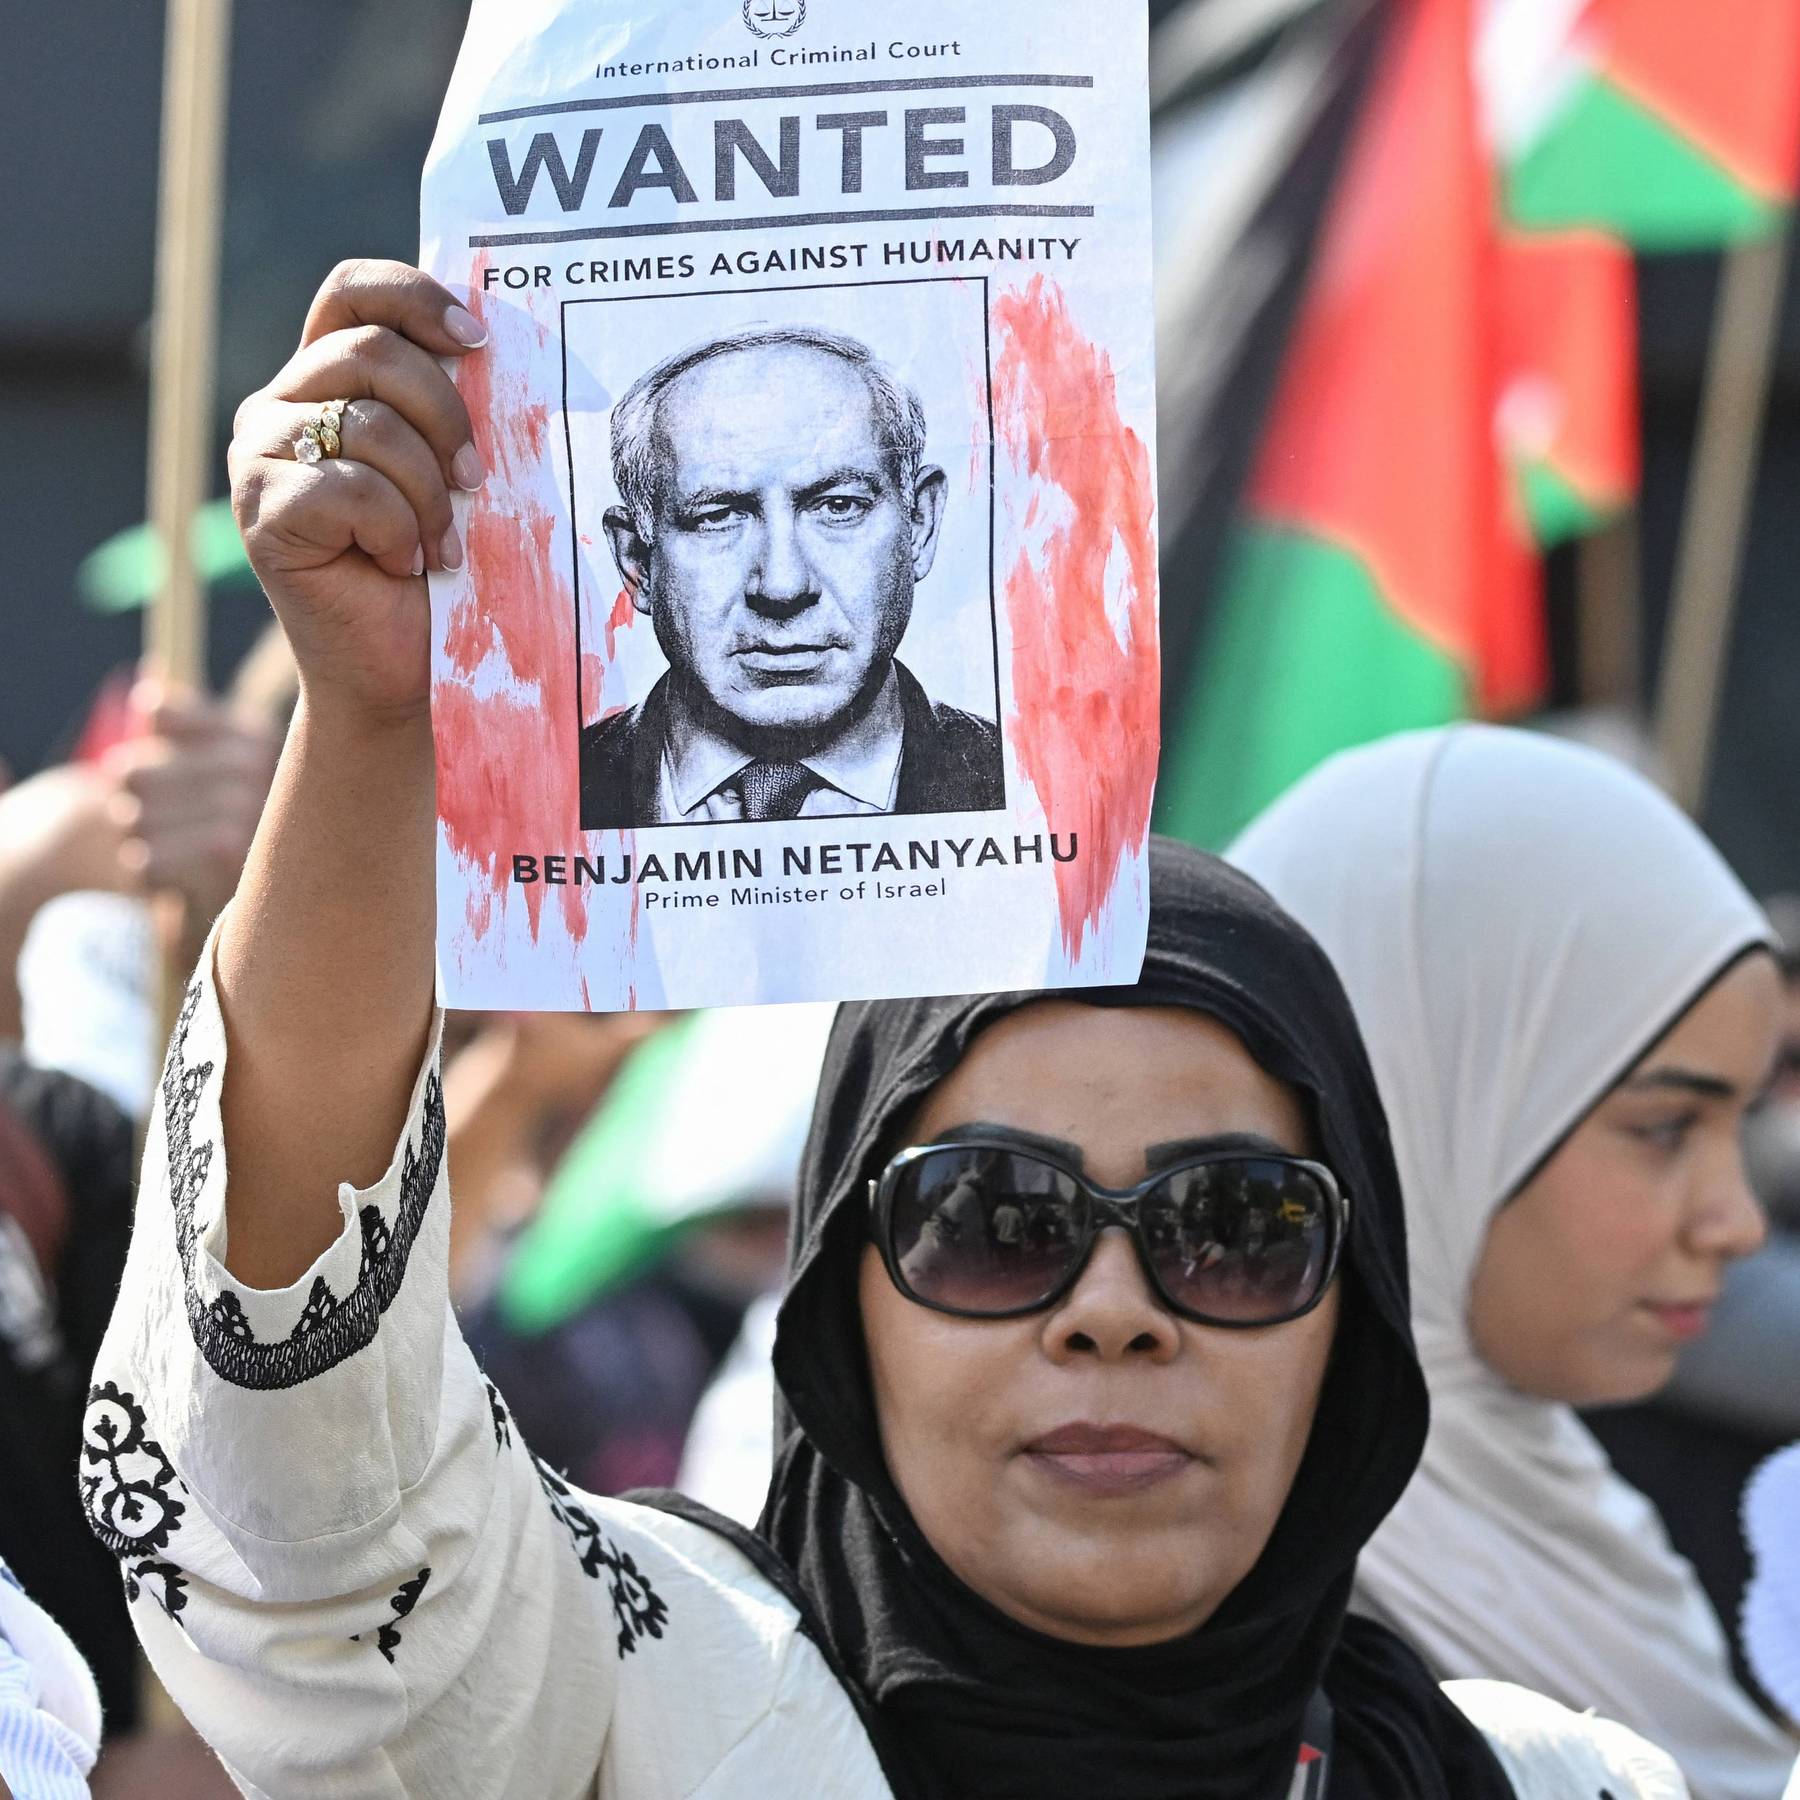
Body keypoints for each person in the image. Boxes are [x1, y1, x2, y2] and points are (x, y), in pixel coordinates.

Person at [79, 257, 1686, 1798]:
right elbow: (304, 1471)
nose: (1115, 1316)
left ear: (1359, 1316)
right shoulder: (638, 1714)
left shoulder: (1557, 1779)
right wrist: (373, 725)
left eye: (1235, 1226)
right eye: (992, 1220)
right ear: (841, 1298)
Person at [1231, 724, 1800, 1800]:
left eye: (1743, 1121)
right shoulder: (1221, 1638)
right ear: (1421, 1096)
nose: (1733, 1221)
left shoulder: (1559, 1506)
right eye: (1666, 1128)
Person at [580, 325, 1005, 828]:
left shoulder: (1041, 781)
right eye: (717, 516)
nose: (783, 586)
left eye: (839, 506)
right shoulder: (525, 795)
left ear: (920, 525)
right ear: (637, 561)